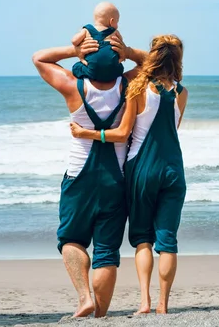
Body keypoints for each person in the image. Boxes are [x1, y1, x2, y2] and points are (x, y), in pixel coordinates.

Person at [70, 34, 189, 314]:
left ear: (153, 54)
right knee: (168, 240)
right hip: (173, 168)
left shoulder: (137, 87)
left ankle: (145, 302)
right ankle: (163, 305)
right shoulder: (182, 92)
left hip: (142, 169)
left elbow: (123, 133)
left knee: (143, 239)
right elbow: (173, 129)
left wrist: (85, 132)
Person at [32, 34, 146, 318]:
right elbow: (155, 61)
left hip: (78, 175)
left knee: (71, 239)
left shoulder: (73, 86)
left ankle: (85, 298)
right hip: (115, 178)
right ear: (117, 63)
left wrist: (74, 50)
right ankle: (101, 315)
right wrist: (128, 52)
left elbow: (39, 58)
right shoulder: (128, 85)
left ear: (86, 63)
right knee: (107, 250)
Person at [71, 2, 124, 82]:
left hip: (92, 71)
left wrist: (81, 32)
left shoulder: (87, 30)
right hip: (112, 72)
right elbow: (121, 45)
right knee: (120, 67)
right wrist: (122, 57)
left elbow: (74, 41)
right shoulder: (115, 32)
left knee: (76, 67)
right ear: (111, 21)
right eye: (117, 22)